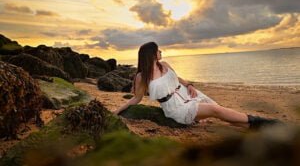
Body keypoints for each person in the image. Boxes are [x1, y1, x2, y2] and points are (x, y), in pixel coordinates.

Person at [113, 42, 279, 129]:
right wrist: (118, 110)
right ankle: (261, 121)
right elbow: (137, 98)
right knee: (217, 111)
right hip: (176, 108)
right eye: (158, 50)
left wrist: (190, 85)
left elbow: (178, 79)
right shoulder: (142, 76)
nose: (161, 52)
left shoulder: (164, 64)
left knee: (219, 110)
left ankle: (258, 126)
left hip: (187, 94)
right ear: (152, 54)